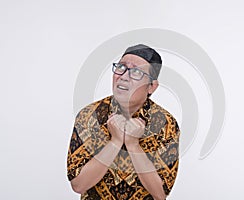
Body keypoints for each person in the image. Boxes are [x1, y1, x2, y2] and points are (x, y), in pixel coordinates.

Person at [67, 44, 180, 200]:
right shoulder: (89, 116)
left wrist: (133, 145)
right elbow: (78, 185)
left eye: (136, 72)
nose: (124, 76)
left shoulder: (166, 124)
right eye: (121, 67)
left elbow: (160, 194)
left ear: (151, 86)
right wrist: (115, 141)